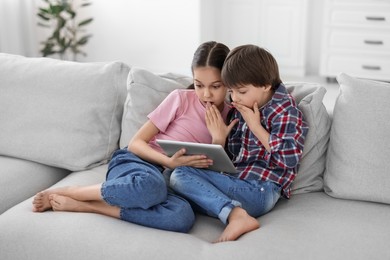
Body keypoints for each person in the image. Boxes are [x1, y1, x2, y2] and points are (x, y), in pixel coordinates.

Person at [32, 41, 231, 233]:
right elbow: (136, 143)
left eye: (215, 86)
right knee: (151, 187)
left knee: (182, 217)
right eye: (198, 85)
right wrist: (169, 161)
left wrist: (218, 141)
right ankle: (73, 191)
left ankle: (89, 206)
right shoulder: (181, 99)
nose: (206, 95)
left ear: (228, 83)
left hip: (171, 182)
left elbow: (216, 173)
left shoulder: (232, 116)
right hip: (137, 162)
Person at [170, 44, 309, 241]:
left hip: (261, 191)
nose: (234, 98)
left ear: (266, 85)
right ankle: (230, 211)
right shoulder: (240, 106)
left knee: (180, 176)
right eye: (231, 92)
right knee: (173, 177)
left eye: (241, 91)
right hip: (235, 182)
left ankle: (237, 216)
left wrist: (256, 127)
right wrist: (220, 139)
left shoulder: (285, 111)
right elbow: (233, 160)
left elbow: (288, 159)